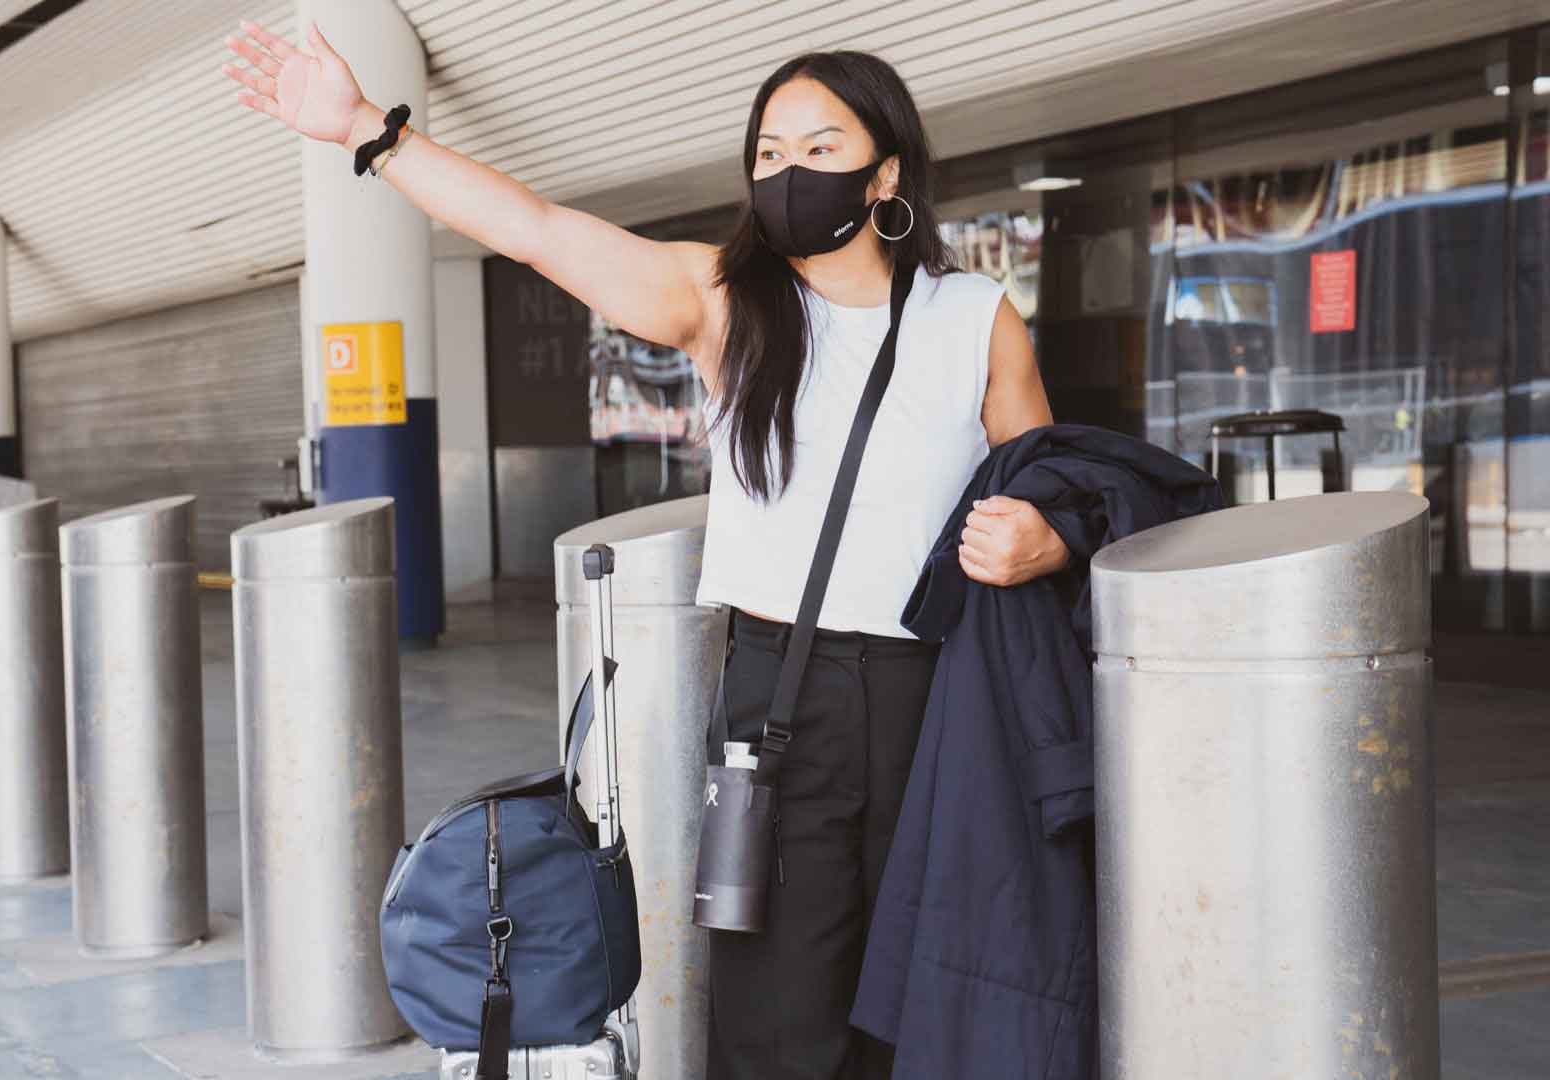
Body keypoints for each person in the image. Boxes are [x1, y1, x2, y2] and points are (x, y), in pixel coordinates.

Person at [225, 26, 1070, 1080]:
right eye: (767, 153)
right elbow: (536, 229)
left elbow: (1043, 480)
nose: (787, 172)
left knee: (932, 989)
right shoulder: (725, 301)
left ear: (886, 168)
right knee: (779, 1011)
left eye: (818, 147)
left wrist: (1041, 539)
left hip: (936, 696)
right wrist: (367, 132)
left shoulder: (974, 317)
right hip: (782, 697)